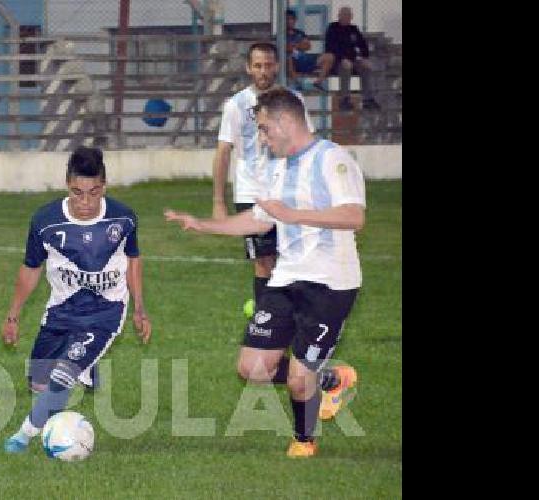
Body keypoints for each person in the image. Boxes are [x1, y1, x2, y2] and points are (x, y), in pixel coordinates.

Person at [169, 87, 363, 458]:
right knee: (252, 367)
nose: (261, 138)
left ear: (286, 122)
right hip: (285, 279)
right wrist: (202, 224)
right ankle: (331, 378)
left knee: (296, 380)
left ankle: (304, 441)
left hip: (330, 284)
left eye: (263, 129)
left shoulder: (332, 159)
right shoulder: (276, 169)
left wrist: (293, 215)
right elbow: (259, 222)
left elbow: (354, 216)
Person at [1, 147, 152, 453]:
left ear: (104, 186)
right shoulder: (46, 221)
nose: (85, 202)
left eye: (93, 193)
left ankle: (22, 436)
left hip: (106, 311)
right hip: (61, 310)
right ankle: (87, 366)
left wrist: (140, 308)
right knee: (39, 384)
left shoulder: (123, 218)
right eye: (77, 192)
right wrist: (13, 315)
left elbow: (133, 259)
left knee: (61, 379)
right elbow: (31, 269)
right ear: (66, 184)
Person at [212, 42, 312, 327]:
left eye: (268, 65)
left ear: (277, 66)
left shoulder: (294, 102)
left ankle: (288, 317)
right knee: (263, 260)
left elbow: (308, 146)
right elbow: (223, 151)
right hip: (252, 194)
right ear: (248, 68)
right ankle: (266, 323)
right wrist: (219, 202)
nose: (263, 71)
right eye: (257, 65)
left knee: (292, 257)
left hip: (289, 192)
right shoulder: (236, 105)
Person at [324, 6, 380, 110]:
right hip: (336, 61)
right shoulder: (332, 28)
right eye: (344, 15)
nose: (346, 17)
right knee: (345, 67)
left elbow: (363, 45)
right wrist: (342, 59)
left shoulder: (354, 29)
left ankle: (368, 100)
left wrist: (364, 58)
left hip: (353, 60)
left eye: (349, 15)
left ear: (351, 17)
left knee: (366, 68)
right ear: (339, 16)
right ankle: (345, 100)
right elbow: (330, 47)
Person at [284, 10, 333, 91]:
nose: (289, 21)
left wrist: (295, 46)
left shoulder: (300, 33)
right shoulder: (281, 34)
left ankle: (318, 82)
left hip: (304, 59)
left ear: (295, 20)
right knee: (289, 58)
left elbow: (308, 46)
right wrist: (298, 45)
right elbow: (285, 48)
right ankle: (297, 83)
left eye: (292, 19)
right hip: (292, 63)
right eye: (287, 19)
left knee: (329, 57)